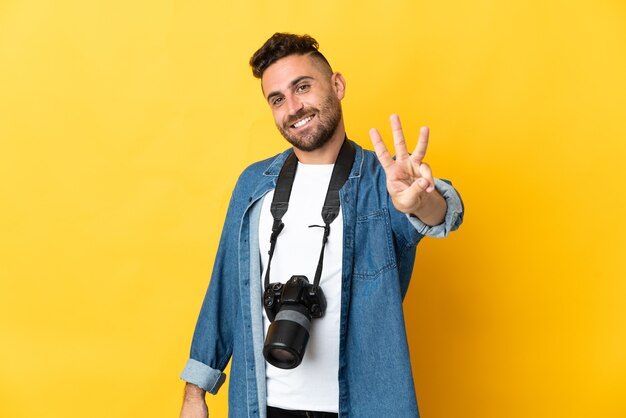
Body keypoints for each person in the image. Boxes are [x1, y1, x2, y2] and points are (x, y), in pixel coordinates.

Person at [179, 33, 464, 418]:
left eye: (302, 87)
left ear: (337, 85)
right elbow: (225, 291)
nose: (293, 107)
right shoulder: (253, 184)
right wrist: (195, 391)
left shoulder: (384, 184)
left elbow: (437, 216)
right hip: (263, 405)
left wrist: (423, 199)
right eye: (277, 99)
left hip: (363, 404)